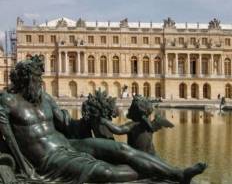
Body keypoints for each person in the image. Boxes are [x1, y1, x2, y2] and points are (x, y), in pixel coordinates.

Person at [0, 56, 207, 184]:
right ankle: (158, 176)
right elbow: (7, 136)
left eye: (40, 78)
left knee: (121, 150)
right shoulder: (8, 101)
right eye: (36, 78)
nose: (40, 82)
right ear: (25, 79)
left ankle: (178, 174)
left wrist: (92, 116)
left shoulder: (45, 98)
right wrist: (24, 166)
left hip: (69, 145)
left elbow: (68, 124)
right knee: (105, 171)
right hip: (49, 159)